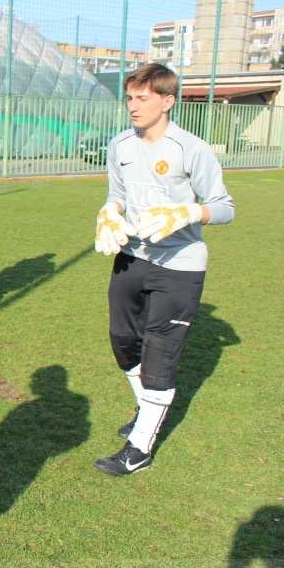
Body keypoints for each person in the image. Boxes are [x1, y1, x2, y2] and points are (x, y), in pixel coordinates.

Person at [93, 63, 234, 476]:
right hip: (131, 258)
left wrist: (189, 212)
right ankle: (147, 411)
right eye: (130, 97)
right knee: (123, 341)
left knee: (160, 353)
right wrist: (108, 212)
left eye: (144, 98)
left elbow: (225, 207)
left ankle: (139, 447)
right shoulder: (120, 144)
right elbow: (116, 195)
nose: (133, 106)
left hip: (180, 266)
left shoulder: (191, 148)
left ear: (167, 100)